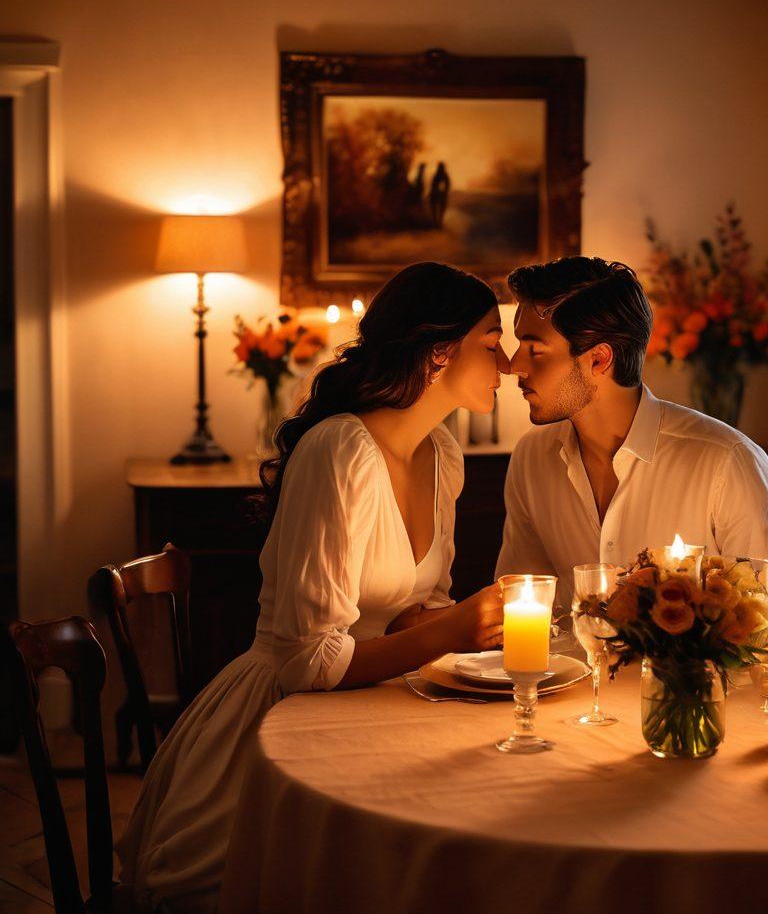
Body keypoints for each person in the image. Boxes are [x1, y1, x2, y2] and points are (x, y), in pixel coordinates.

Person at [118, 262, 510, 913]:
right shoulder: (339, 450)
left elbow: (422, 601)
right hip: (280, 724)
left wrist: (439, 619)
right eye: (493, 343)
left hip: (372, 708)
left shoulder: (442, 453)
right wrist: (457, 628)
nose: (510, 362)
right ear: (439, 353)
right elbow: (308, 661)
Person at [495, 256, 768, 611]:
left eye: (534, 350)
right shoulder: (532, 459)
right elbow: (521, 605)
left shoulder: (724, 462)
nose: (514, 366)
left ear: (599, 359)